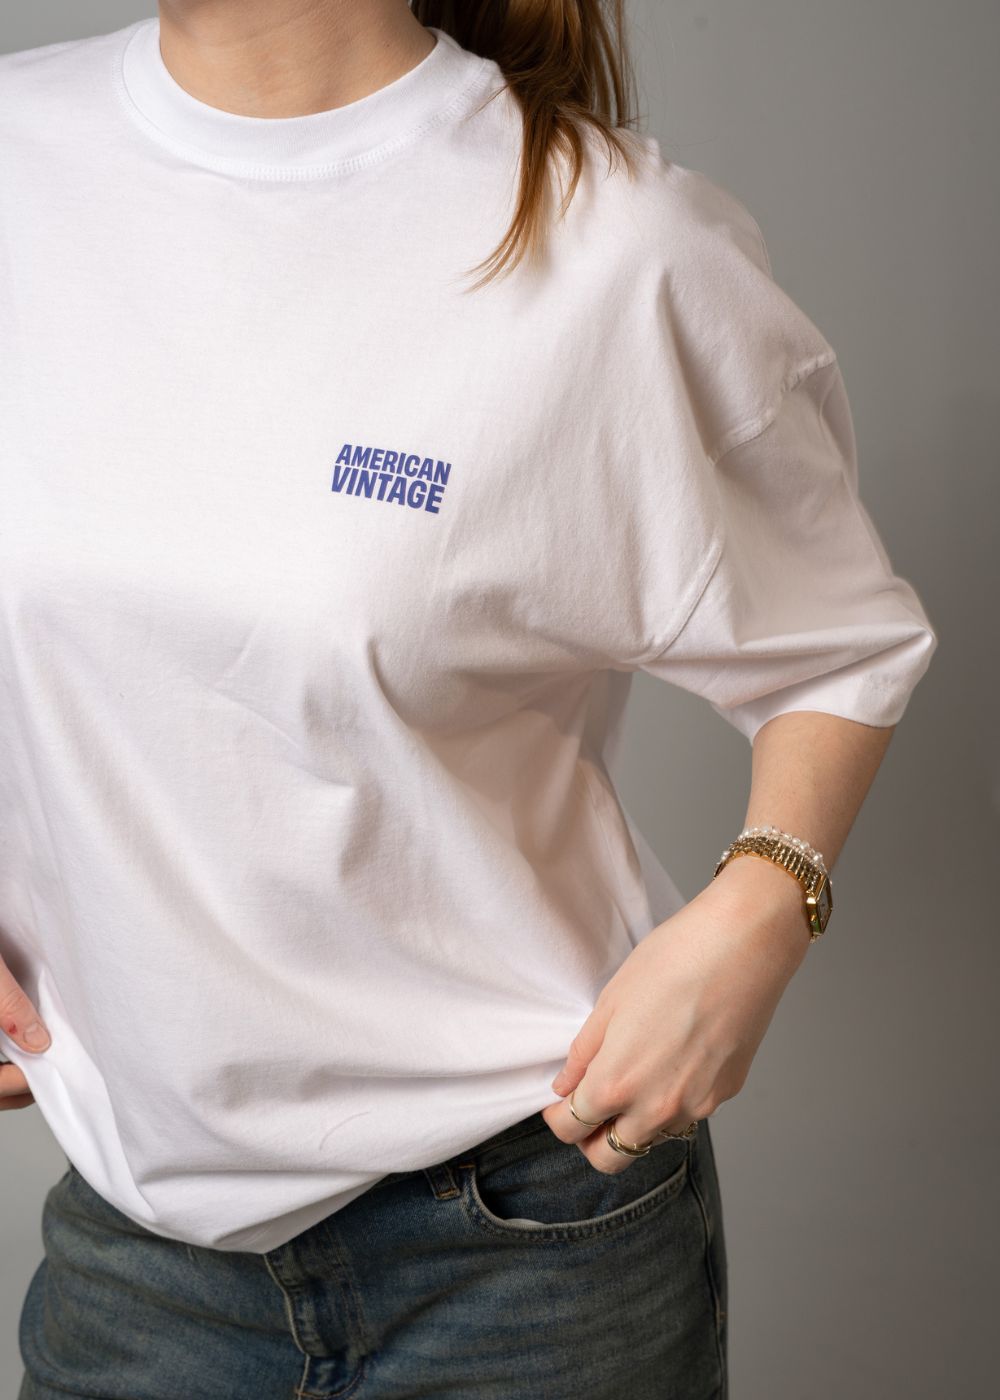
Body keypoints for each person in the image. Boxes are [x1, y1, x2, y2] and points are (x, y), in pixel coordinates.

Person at [0, 2, 938, 1396]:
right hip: (143, 1255)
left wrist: (764, 906)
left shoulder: (611, 245)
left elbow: (838, 644)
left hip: (526, 1247)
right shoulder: (22, 156)